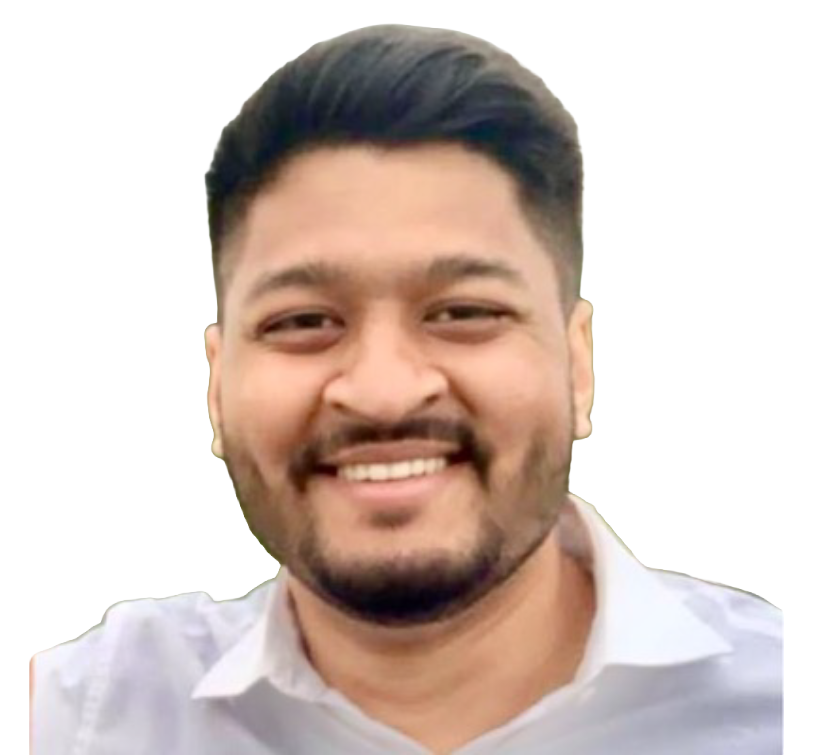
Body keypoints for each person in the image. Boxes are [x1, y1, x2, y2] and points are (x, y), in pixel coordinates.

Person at [31, 23, 782, 754]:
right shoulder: (82, 719)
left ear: (578, 364)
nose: (383, 392)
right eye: (304, 321)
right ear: (216, 383)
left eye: (464, 313)